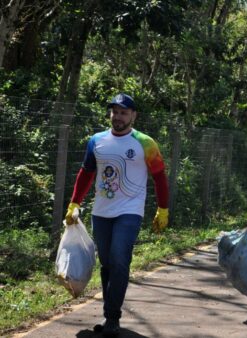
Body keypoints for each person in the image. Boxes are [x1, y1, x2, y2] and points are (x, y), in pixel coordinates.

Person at [64, 93, 169, 337]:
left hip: (130, 211)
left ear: (133, 115)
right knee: (107, 263)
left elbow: (160, 177)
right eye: (115, 112)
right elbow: (86, 173)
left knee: (120, 259)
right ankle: (109, 313)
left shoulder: (145, 143)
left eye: (123, 112)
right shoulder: (96, 141)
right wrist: (74, 203)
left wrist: (163, 208)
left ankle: (112, 316)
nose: (118, 116)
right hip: (101, 212)